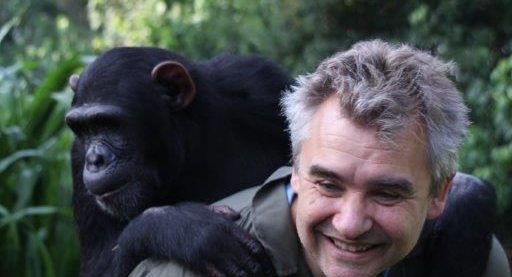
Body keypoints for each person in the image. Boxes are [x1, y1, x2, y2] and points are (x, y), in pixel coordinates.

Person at [129, 40, 511, 277]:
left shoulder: (472, 257)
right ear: (293, 171)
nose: (349, 224)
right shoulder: (183, 272)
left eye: (387, 194)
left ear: (439, 194)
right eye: (328, 184)